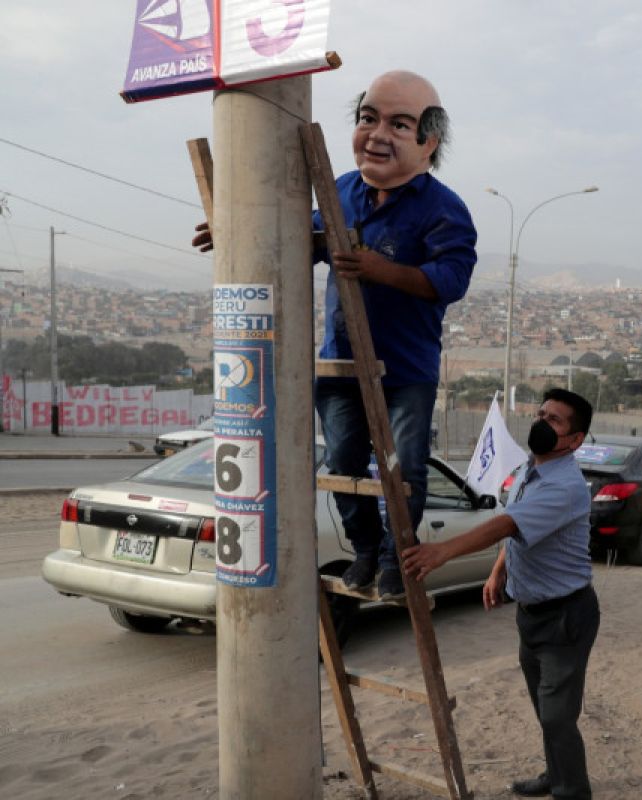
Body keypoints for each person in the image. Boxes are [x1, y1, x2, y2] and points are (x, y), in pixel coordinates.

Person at [195, 70, 477, 600]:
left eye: (399, 124)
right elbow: (293, 232)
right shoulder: (339, 191)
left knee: (404, 470)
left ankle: (398, 557)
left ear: (429, 141)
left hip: (405, 371)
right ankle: (366, 548)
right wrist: (234, 228)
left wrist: (380, 269)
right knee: (345, 461)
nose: (377, 134)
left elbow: (451, 279)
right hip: (340, 363)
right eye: (368, 118)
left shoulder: (444, 209)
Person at [402, 388, 600, 799]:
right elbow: (523, 533)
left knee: (558, 715)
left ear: (575, 439)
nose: (542, 422)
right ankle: (555, 772)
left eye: (555, 421)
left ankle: (572, 791)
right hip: (532, 611)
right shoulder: (532, 469)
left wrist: (442, 552)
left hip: (566, 615)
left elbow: (508, 524)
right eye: (541, 413)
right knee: (546, 710)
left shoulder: (565, 486)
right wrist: (497, 571)